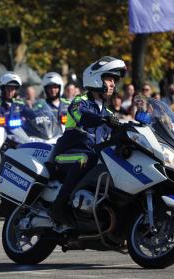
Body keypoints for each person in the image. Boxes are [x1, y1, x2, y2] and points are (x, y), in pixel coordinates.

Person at [49, 56, 126, 226]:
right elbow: (82, 116)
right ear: (96, 78)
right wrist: (103, 119)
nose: (113, 84)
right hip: (65, 155)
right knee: (87, 158)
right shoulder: (80, 101)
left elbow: (119, 130)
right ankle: (58, 208)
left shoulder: (107, 112)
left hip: (92, 154)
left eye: (114, 80)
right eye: (109, 79)